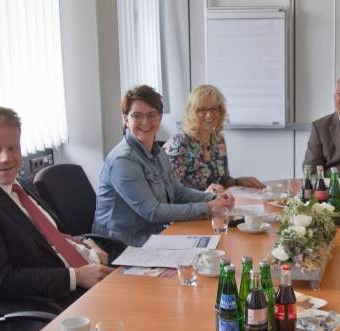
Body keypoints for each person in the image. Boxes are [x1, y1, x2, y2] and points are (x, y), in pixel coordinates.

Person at [0, 105, 113, 308]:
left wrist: (87, 244)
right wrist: (75, 277)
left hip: (87, 275)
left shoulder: (20, 184)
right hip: (54, 303)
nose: (6, 158)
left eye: (13, 148)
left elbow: (53, 237)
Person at [93, 85, 235, 247]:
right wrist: (207, 207)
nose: (145, 122)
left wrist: (214, 199)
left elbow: (177, 191)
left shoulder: (157, 152)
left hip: (154, 235)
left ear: (160, 117)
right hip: (122, 245)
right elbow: (152, 211)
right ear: (126, 119)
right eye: (137, 116)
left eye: (151, 115)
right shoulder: (123, 161)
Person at [163, 84, 264, 192]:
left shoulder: (218, 141)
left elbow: (223, 181)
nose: (209, 115)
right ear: (191, 112)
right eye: (202, 109)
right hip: (192, 207)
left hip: (216, 204)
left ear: (221, 112)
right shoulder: (179, 142)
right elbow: (170, 191)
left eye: (214, 108)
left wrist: (237, 181)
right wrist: (203, 196)